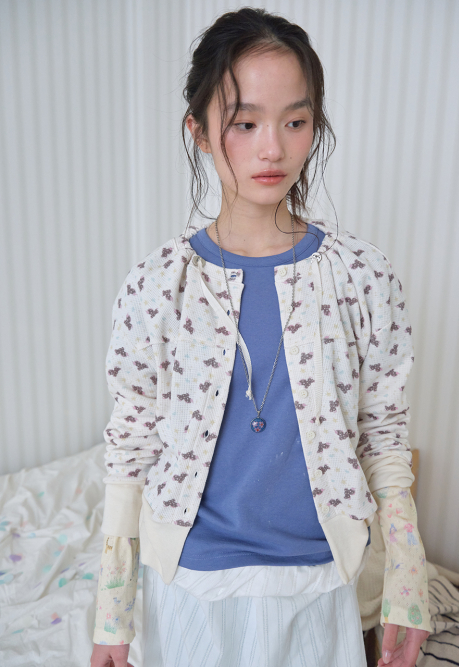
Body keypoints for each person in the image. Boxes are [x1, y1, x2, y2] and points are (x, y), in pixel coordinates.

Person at [90, 7, 431, 667]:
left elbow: (384, 438)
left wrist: (408, 582)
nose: (272, 149)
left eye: (295, 122)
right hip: (188, 586)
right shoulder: (156, 286)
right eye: (244, 123)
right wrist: (112, 618)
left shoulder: (362, 276)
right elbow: (129, 450)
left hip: (318, 582)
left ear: (314, 127)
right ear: (198, 130)